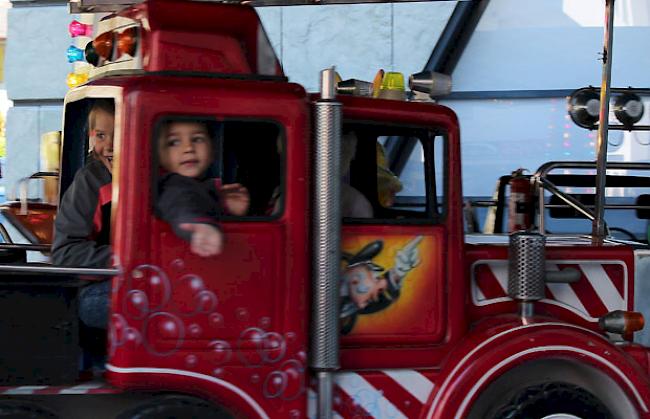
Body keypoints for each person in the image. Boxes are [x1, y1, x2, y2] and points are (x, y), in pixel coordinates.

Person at [155, 118, 249, 256]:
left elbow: (199, 199)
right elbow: (181, 202)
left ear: (212, 151)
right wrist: (200, 225)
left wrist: (225, 206)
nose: (188, 148)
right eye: (173, 142)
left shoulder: (203, 186)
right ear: (158, 155)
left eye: (198, 139)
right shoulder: (172, 183)